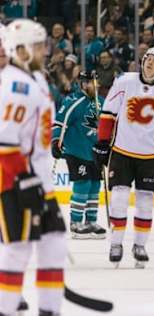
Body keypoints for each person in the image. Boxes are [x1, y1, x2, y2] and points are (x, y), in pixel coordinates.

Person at [0, 19, 67, 315]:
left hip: (40, 182)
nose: (44, 51)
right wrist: (23, 181)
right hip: (18, 183)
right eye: (38, 46)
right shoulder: (14, 87)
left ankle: (49, 310)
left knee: (54, 243)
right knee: (18, 249)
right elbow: (4, 144)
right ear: (22, 50)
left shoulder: (36, 80)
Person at [93, 46, 154, 268]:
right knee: (119, 199)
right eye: (147, 58)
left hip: (149, 156)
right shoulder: (124, 81)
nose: (149, 63)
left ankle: (140, 245)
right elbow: (108, 113)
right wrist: (103, 142)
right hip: (122, 152)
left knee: (145, 202)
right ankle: (116, 243)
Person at [52, 71, 107, 240]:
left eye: (95, 82)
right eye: (90, 82)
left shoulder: (101, 102)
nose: (94, 86)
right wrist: (55, 141)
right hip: (76, 151)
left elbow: (107, 125)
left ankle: (90, 221)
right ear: (83, 84)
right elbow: (60, 122)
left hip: (94, 153)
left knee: (94, 186)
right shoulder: (72, 101)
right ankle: (75, 223)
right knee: (83, 184)